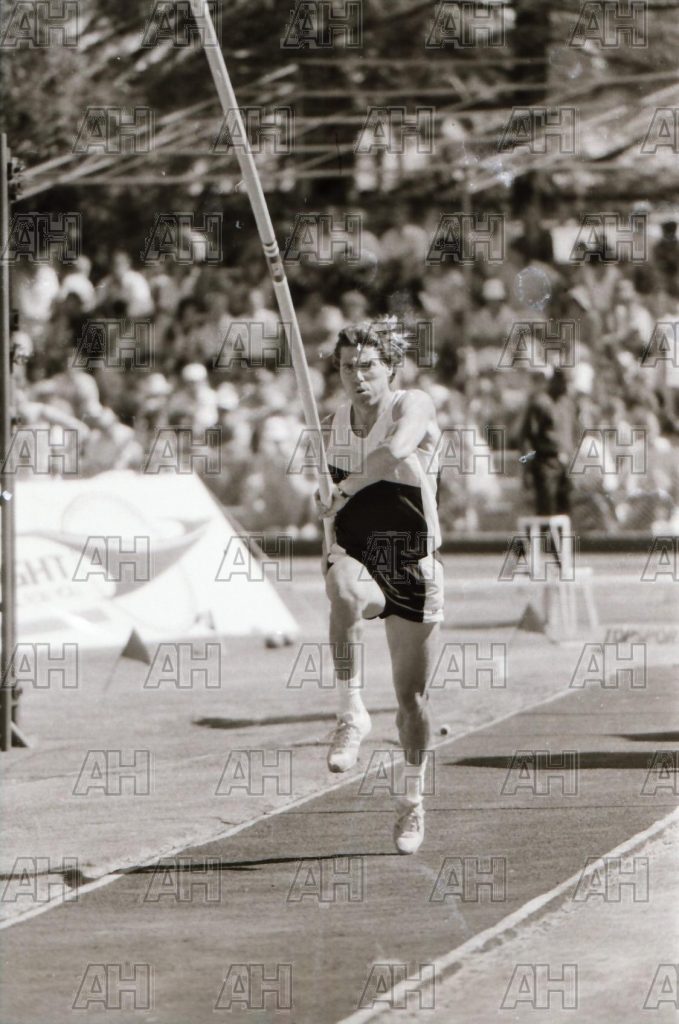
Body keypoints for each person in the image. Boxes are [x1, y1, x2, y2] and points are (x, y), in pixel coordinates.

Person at [315, 319, 443, 855]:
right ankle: (351, 712)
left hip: (412, 561)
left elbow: (393, 450)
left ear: (390, 367)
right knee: (342, 590)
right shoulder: (329, 425)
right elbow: (328, 501)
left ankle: (412, 799)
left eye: (368, 366)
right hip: (359, 556)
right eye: (348, 367)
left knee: (412, 701)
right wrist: (325, 499)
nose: (358, 377)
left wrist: (345, 485)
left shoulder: (413, 405)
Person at [517, 368, 577, 515]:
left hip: (567, 463)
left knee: (566, 510)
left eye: (569, 382)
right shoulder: (540, 403)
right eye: (564, 382)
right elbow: (527, 438)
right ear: (554, 381)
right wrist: (526, 468)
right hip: (546, 462)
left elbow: (573, 433)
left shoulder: (568, 405)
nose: (567, 386)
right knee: (547, 511)